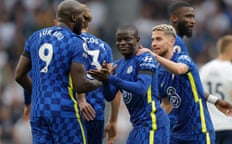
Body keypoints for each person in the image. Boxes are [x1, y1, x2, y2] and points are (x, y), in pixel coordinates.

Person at [14, 0, 102, 144]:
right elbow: (80, 85)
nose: (83, 21)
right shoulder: (75, 42)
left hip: (39, 111)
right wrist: (101, 80)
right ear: (74, 17)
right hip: (64, 112)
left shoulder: (35, 37)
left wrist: (36, 92)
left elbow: (19, 75)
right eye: (81, 17)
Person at [89, 25, 170, 144]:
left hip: (153, 123)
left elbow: (142, 89)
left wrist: (111, 79)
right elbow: (110, 96)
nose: (122, 43)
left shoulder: (145, 58)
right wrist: (105, 80)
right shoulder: (119, 65)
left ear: (137, 40)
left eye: (127, 39)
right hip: (138, 125)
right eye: (119, 40)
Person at [149, 24, 215, 143]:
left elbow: (179, 69)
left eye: (158, 39)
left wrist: (154, 57)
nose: (154, 43)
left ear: (171, 41)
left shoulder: (183, 59)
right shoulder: (158, 72)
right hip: (175, 134)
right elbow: (166, 104)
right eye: (152, 40)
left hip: (198, 131)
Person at [77, 5, 120, 144]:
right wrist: (113, 120)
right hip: (96, 113)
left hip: (71, 112)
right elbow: (113, 86)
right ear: (88, 23)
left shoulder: (66, 43)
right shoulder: (104, 47)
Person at [200, 35, 232, 144]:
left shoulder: (204, 70)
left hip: (209, 126)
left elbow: (199, 94)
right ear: (231, 50)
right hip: (230, 126)